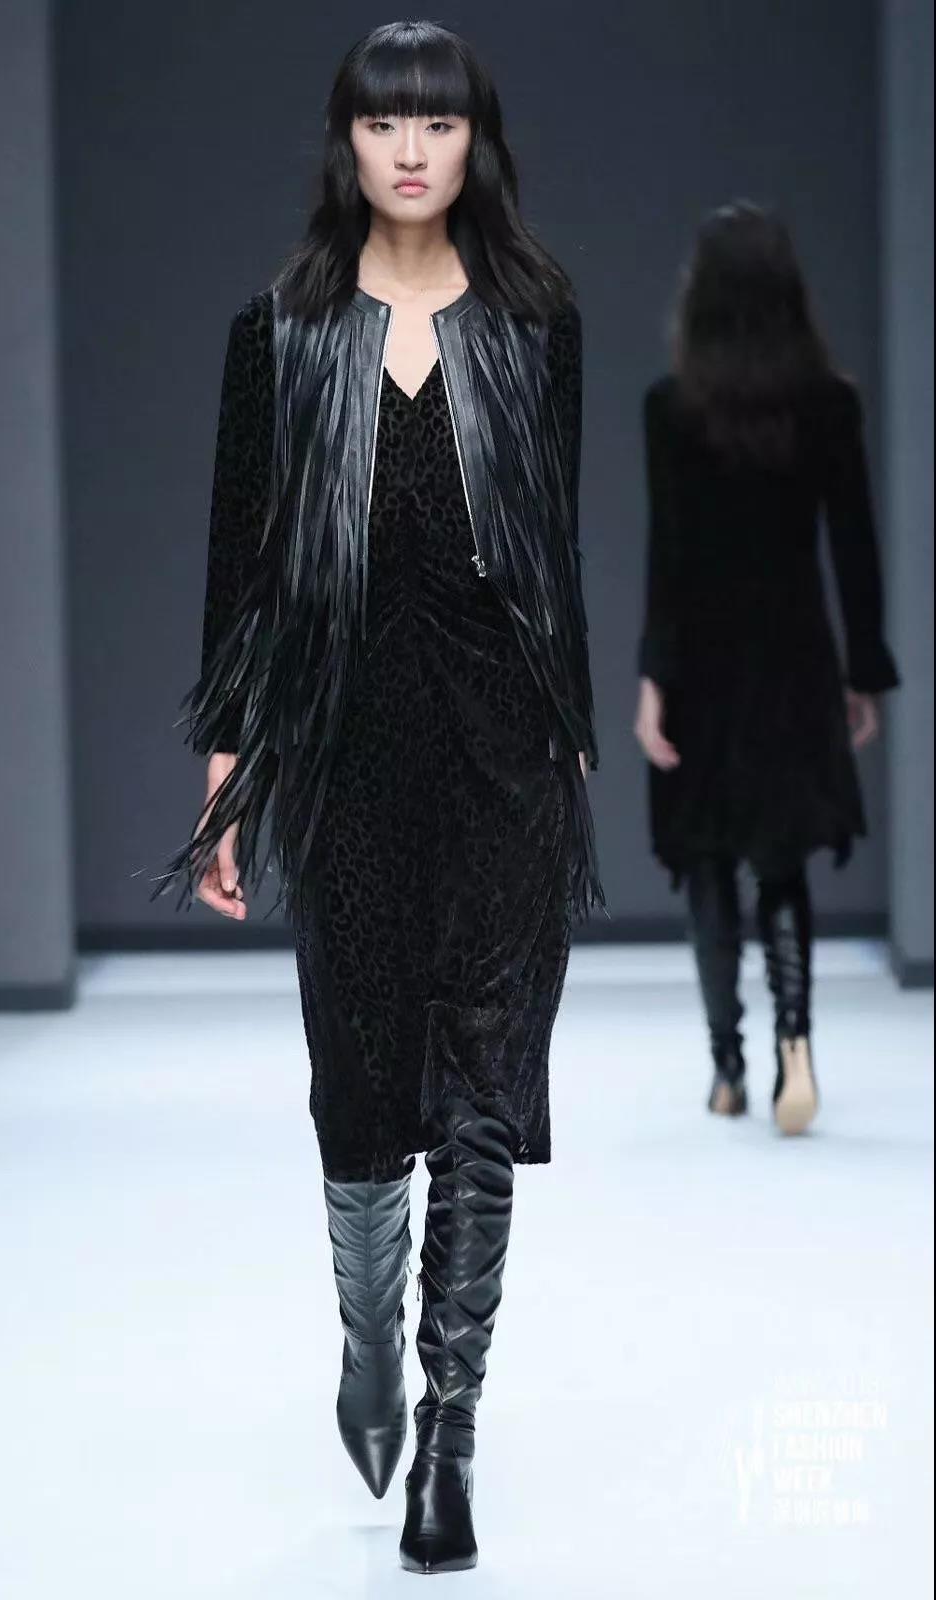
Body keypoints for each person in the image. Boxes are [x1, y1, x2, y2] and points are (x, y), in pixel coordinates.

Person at [150, 21, 601, 1575]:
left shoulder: (537, 325)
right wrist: (225, 774)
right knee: (359, 1098)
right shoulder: (280, 333)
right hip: (345, 749)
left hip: (503, 750)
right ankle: (366, 1339)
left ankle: (449, 1435)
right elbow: (240, 566)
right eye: (385, 121)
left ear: (477, 141)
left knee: (482, 1097)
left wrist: (574, 749)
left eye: (440, 121)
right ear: (346, 140)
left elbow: (555, 550)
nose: (412, 149)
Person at [635, 201, 899, 1136]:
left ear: (700, 294)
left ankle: (727, 1068)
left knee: (707, 859)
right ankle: (796, 1037)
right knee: (781, 859)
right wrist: (862, 672)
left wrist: (653, 681)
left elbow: (668, 559)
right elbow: (854, 549)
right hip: (794, 658)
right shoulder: (829, 405)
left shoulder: (672, 409)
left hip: (702, 664)